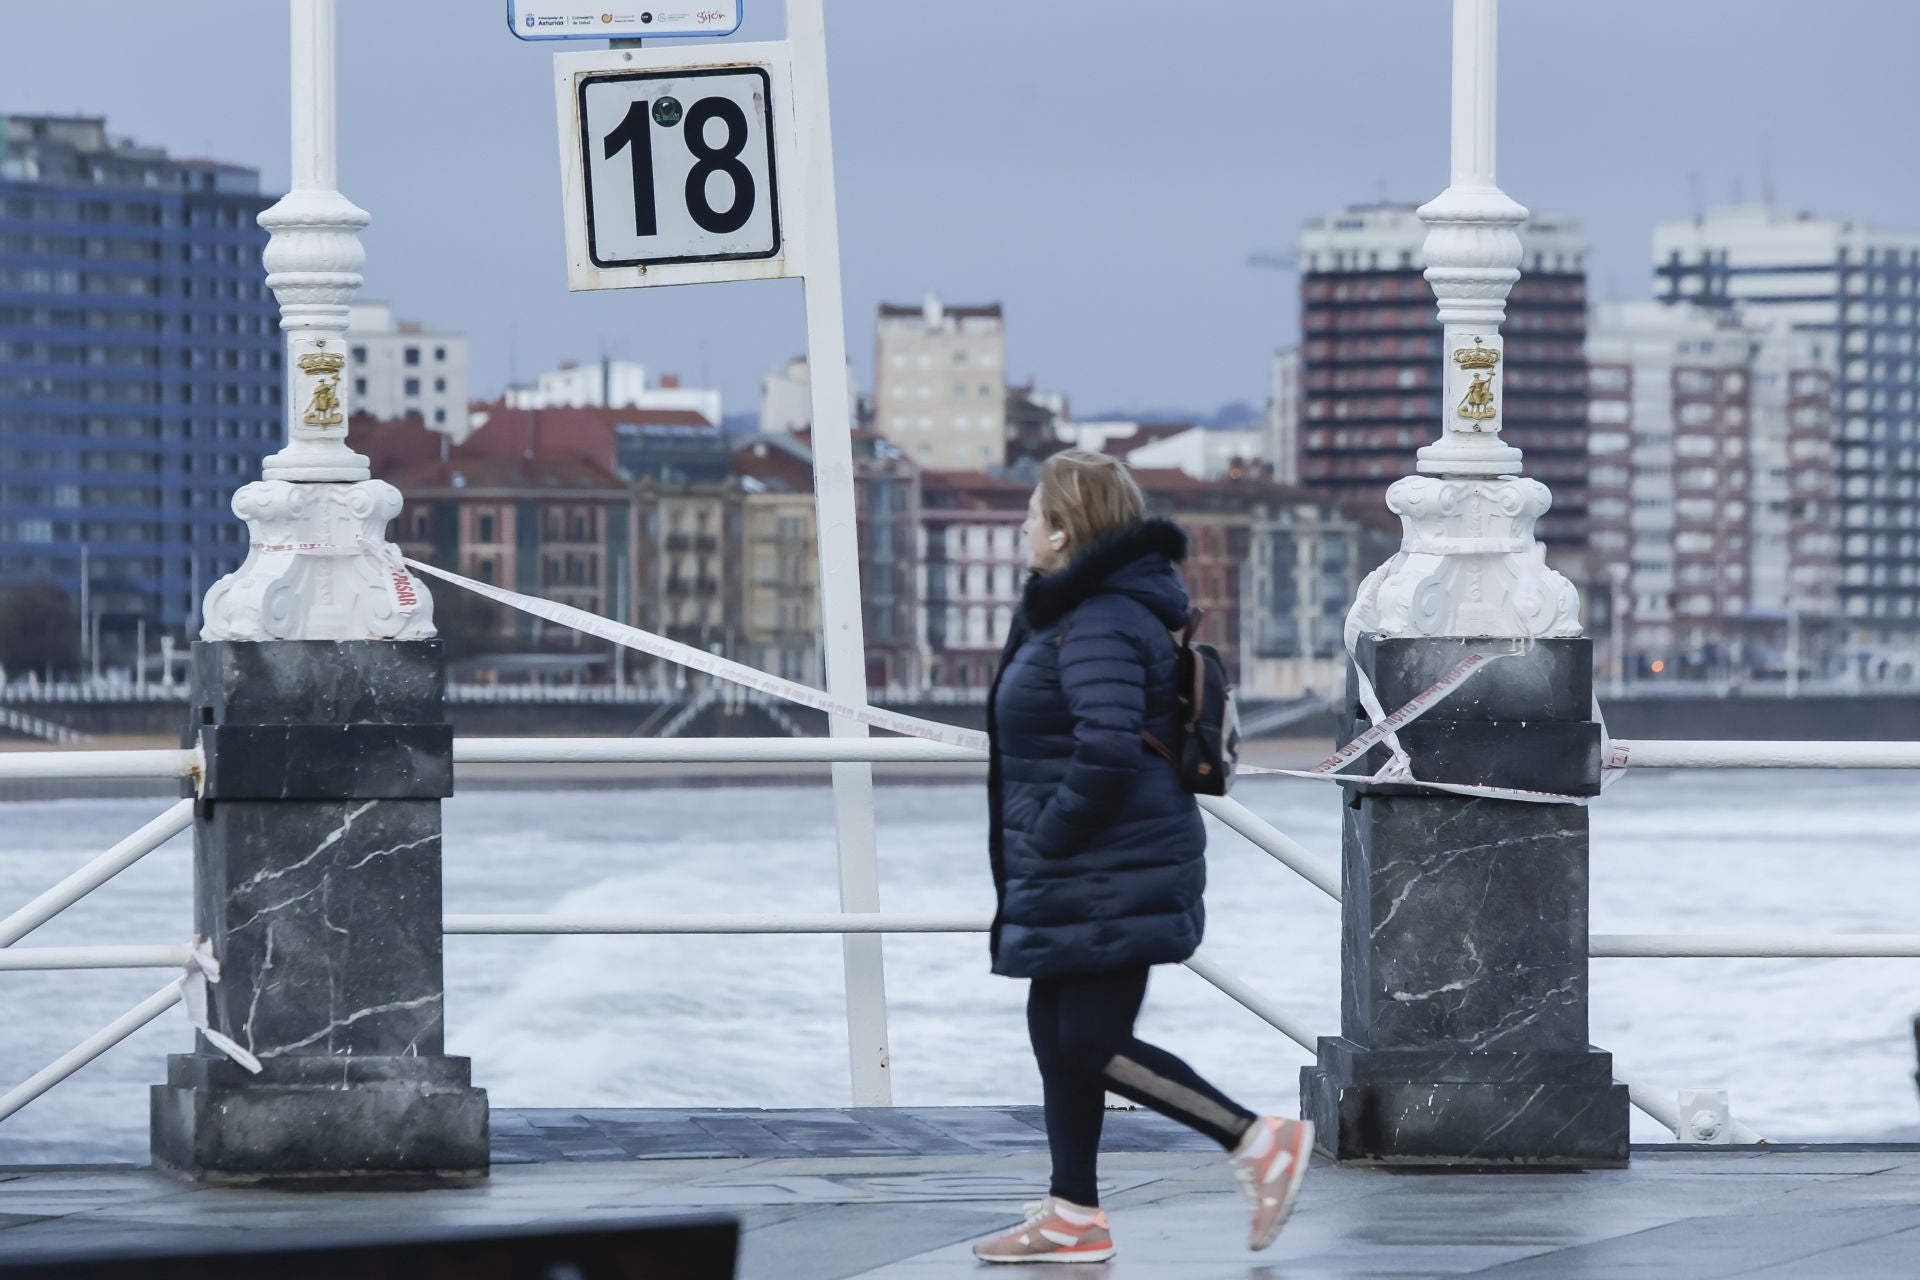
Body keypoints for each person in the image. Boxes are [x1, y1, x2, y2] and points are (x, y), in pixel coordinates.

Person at [970, 451, 1312, 1265]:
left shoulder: (1097, 620)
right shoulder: (1078, 610)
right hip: (1082, 867)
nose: (1020, 526)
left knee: (1090, 1042)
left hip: (1105, 864)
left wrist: (1047, 834)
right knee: (1057, 1032)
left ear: (1061, 530)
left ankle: (1256, 1141)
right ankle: (1072, 1215)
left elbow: (1108, 749)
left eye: (1030, 513)